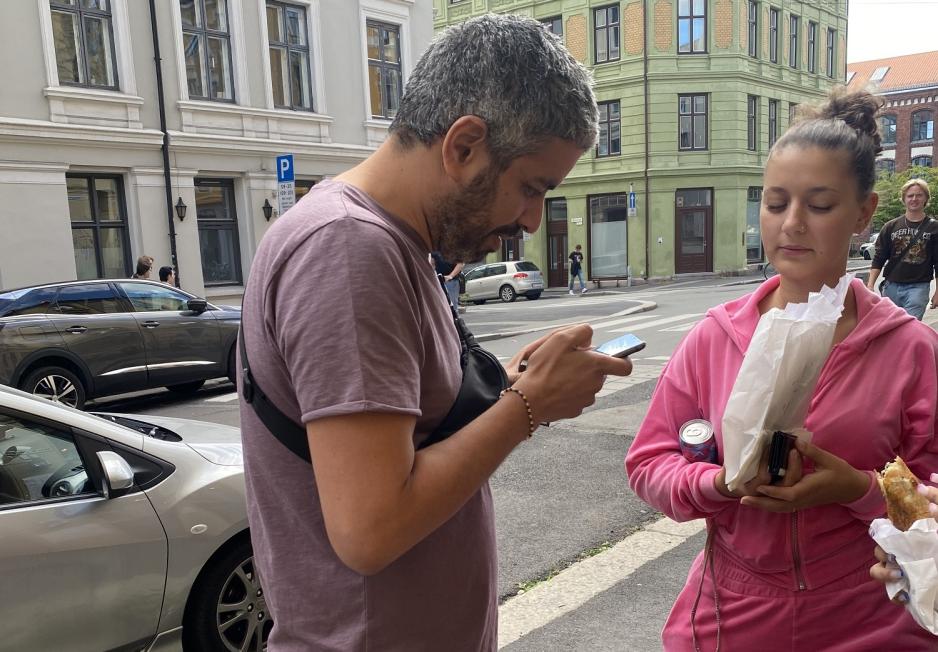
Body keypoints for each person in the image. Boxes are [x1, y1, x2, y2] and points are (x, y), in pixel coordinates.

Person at [238, 14, 632, 651]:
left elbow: (408, 423)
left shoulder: (390, 242)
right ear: (464, 145)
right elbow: (370, 529)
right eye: (531, 188)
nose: (532, 220)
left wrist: (512, 386)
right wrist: (528, 408)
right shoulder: (347, 250)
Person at [625, 88, 938, 650]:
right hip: (734, 615)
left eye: (819, 206)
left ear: (864, 214)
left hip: (872, 616)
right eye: (774, 203)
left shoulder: (909, 349)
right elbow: (650, 464)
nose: (792, 223)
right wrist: (718, 483)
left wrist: (860, 490)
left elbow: (930, 496)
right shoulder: (713, 338)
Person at [865, 179, 938, 320]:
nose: (914, 199)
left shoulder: (934, 228)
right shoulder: (890, 226)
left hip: (918, 288)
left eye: (919, 195)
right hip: (891, 286)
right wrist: (870, 285)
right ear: (904, 199)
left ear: (926, 199)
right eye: (910, 195)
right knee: (890, 327)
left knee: (909, 328)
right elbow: (879, 257)